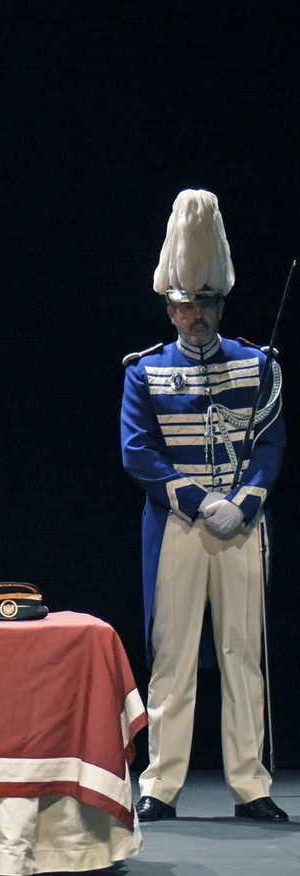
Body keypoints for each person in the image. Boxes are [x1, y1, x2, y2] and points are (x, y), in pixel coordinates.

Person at [121, 188, 286, 822]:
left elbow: (270, 447)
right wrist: (197, 501)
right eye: (187, 304)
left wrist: (242, 504)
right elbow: (138, 452)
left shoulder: (258, 366)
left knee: (244, 652)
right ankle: (160, 783)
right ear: (168, 308)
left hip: (241, 525)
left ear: (221, 303)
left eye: (207, 302)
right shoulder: (144, 372)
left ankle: (251, 783)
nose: (198, 314)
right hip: (178, 526)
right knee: (174, 655)